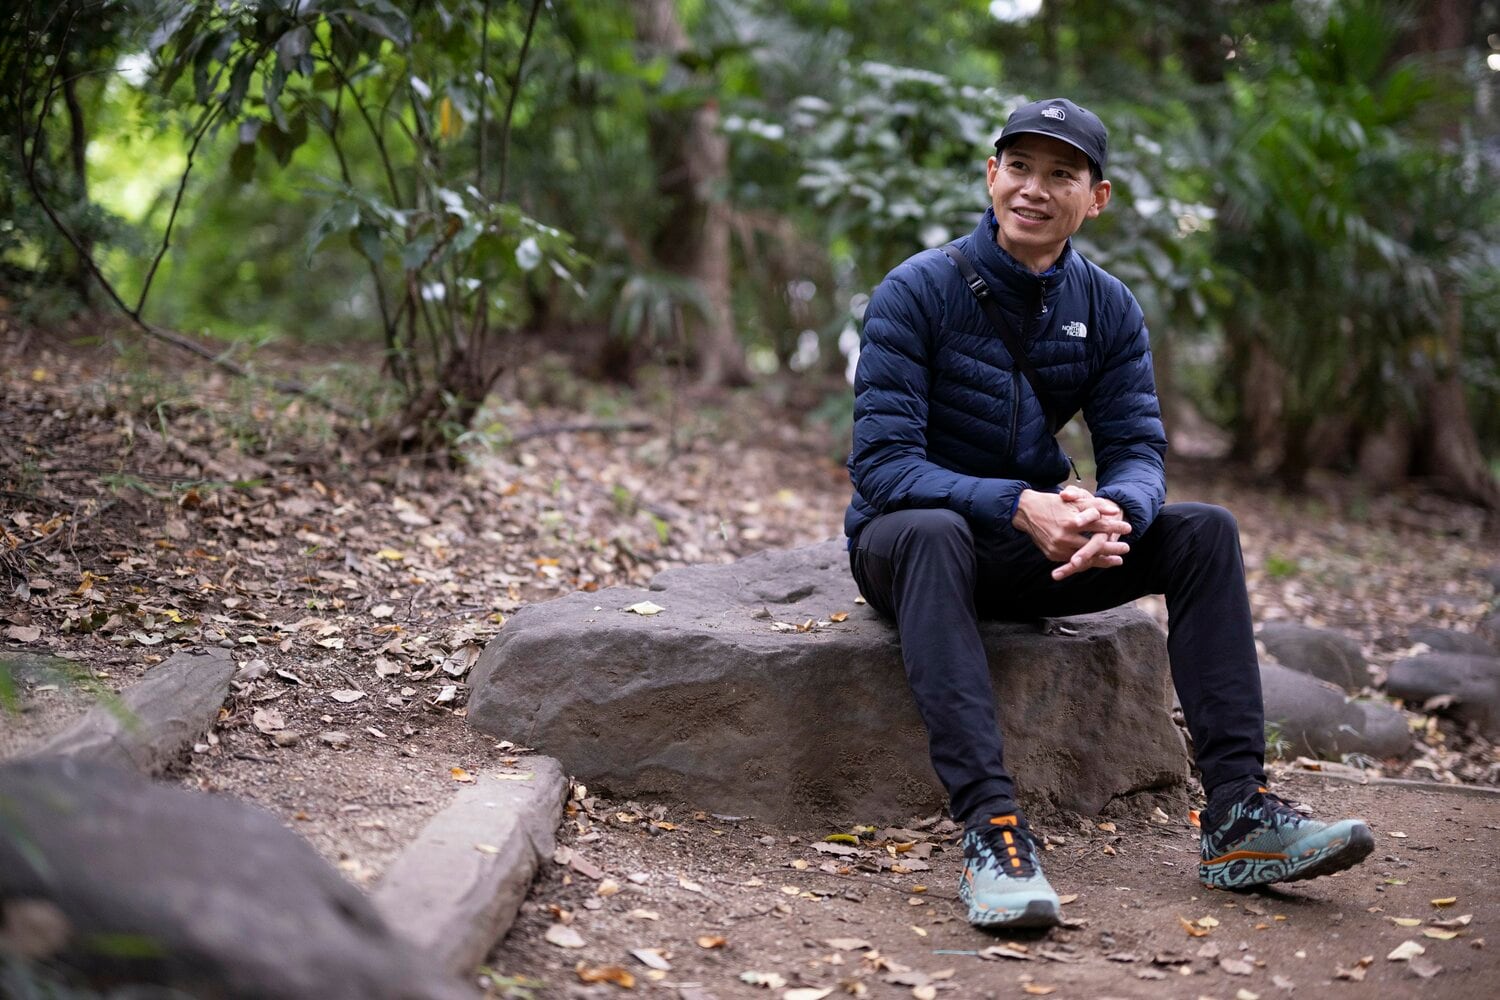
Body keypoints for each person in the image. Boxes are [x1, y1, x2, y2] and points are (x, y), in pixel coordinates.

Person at [844, 98, 1374, 930]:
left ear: (1097, 198)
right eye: (1018, 167)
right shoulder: (918, 290)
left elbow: (1135, 444)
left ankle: (1238, 818)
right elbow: (881, 468)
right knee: (938, 531)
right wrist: (1018, 503)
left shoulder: (1108, 306)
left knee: (1205, 531)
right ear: (991, 176)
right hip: (909, 544)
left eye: (1062, 174)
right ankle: (991, 832)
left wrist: (1112, 512)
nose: (1034, 189)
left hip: (1031, 549)